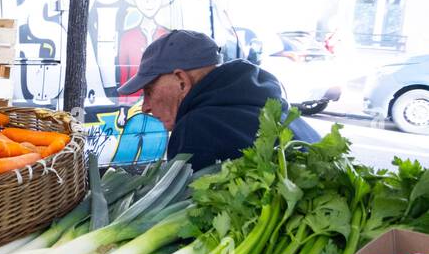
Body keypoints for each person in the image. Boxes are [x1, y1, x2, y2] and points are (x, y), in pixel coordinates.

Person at [119, 29, 319, 172]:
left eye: (149, 90)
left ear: (181, 82)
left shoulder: (197, 128)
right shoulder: (277, 110)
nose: (145, 107)